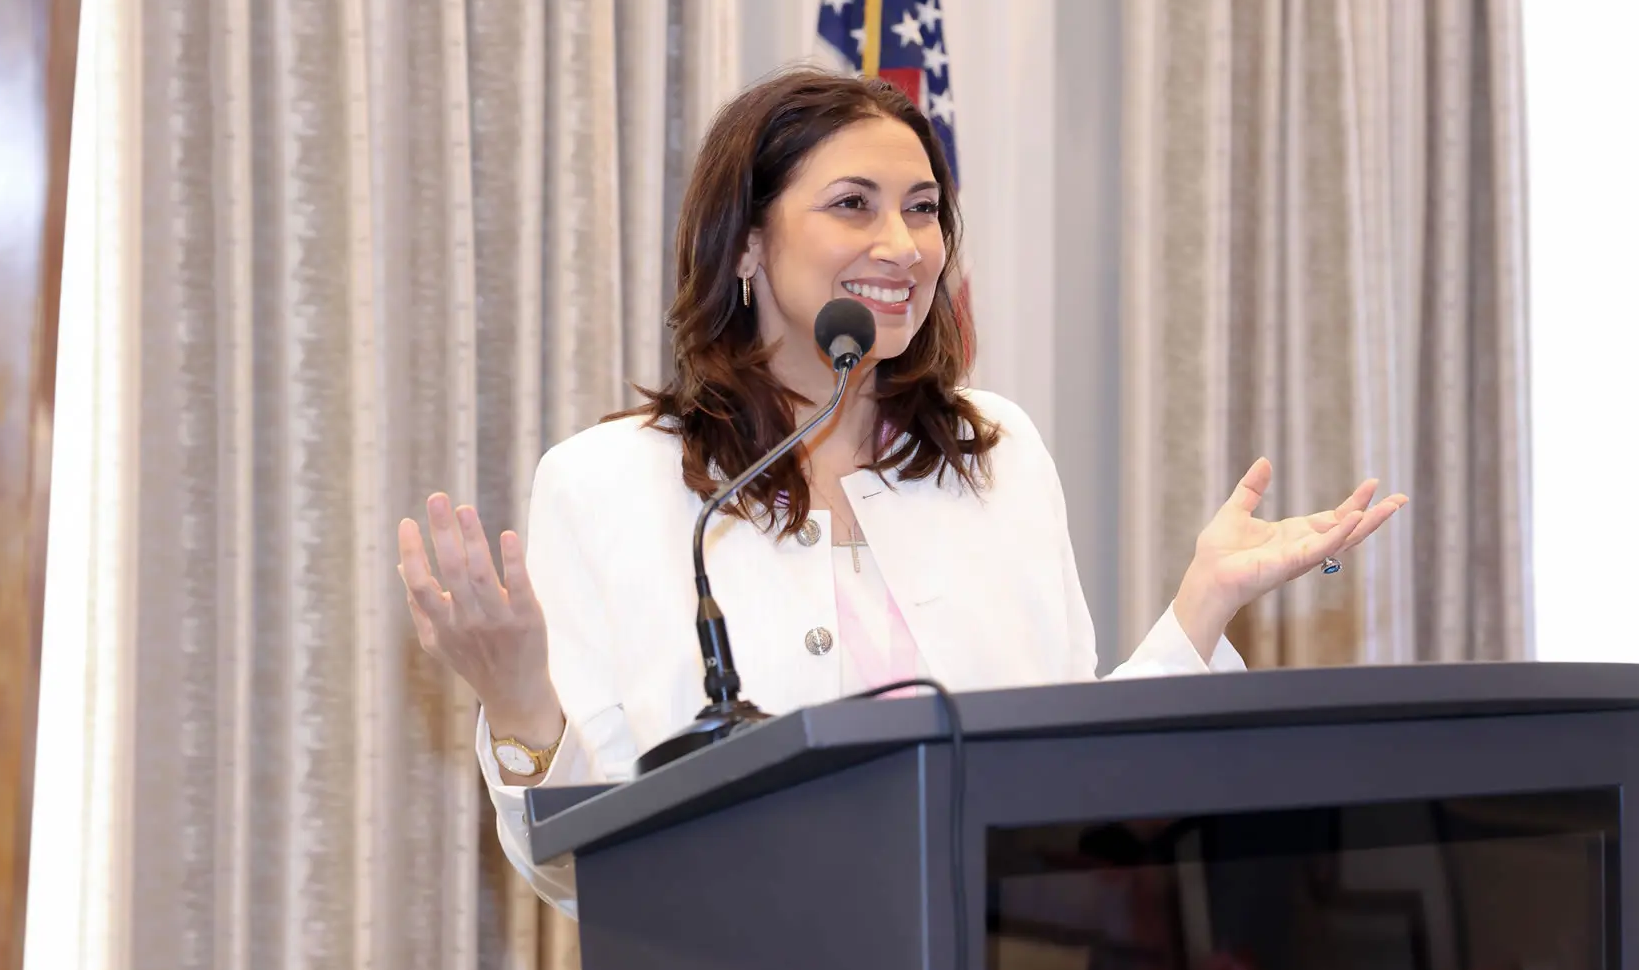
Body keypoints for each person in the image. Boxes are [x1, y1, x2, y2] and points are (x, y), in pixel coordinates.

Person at [395, 68, 1406, 912]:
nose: (902, 245)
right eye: (853, 205)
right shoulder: (611, 485)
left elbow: (1070, 786)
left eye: (924, 211)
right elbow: (576, 873)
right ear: (746, 245)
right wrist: (520, 700)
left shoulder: (999, 453)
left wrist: (1203, 606)